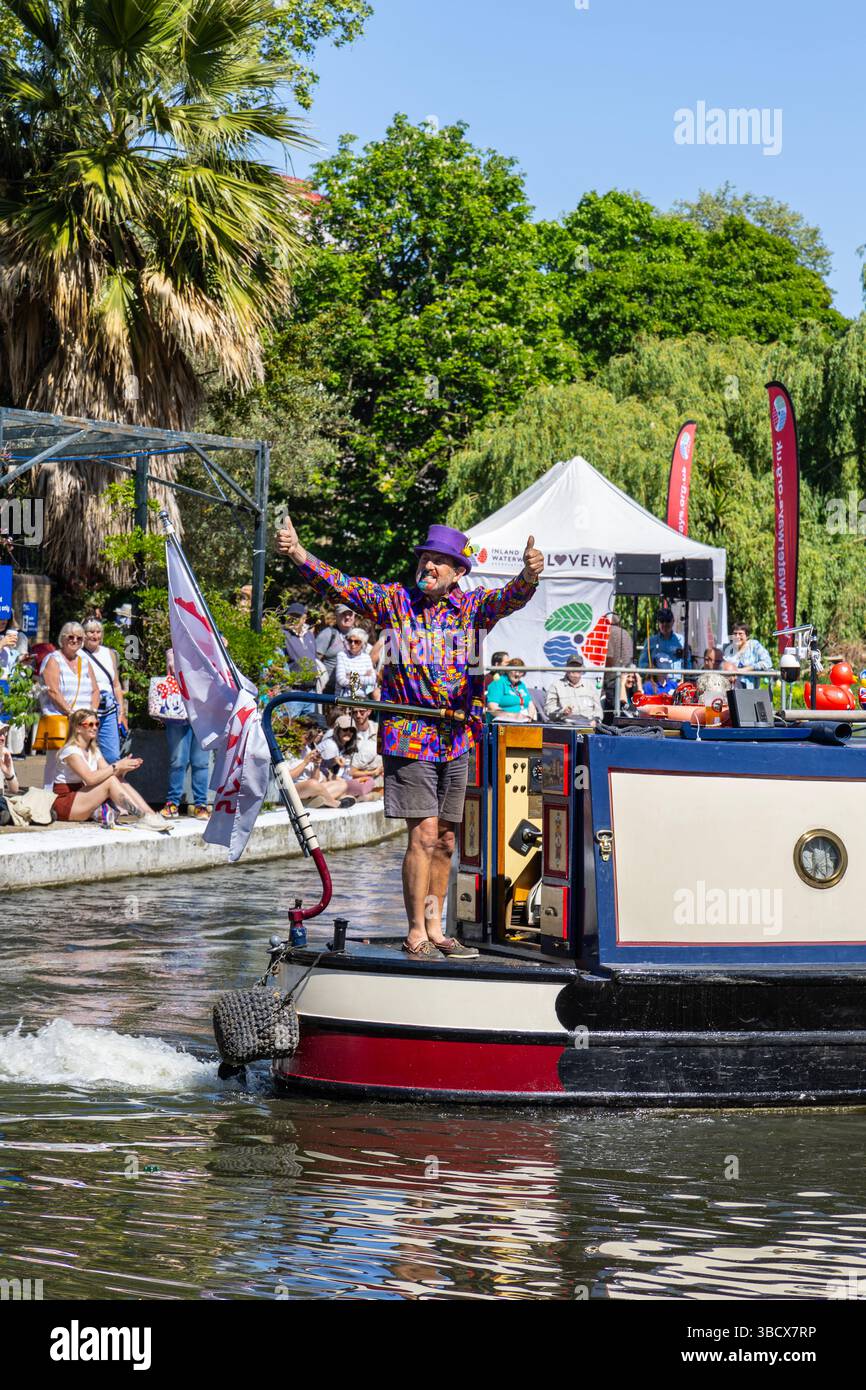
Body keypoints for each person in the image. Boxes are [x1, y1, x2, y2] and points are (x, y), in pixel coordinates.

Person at [277, 516, 542, 959]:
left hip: (457, 737)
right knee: (423, 835)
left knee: (447, 839)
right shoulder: (395, 602)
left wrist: (529, 576)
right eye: (425, 558)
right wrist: (299, 553)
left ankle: (436, 926)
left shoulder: (473, 607)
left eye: (439, 561)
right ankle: (416, 929)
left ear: (458, 571)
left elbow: (510, 597)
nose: (428, 566)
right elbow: (341, 585)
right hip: (410, 735)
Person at [51, 709, 169, 830]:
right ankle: (142, 816)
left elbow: (108, 772)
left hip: (81, 797)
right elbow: (90, 778)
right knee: (111, 780)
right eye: (90, 724)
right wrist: (117, 765)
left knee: (116, 778)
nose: (95, 728)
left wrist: (123, 768)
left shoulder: (93, 750)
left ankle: (150, 814)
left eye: (97, 724)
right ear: (77, 728)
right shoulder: (70, 751)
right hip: (65, 802)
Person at [38, 623, 100, 790]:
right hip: (61, 719)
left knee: (86, 758)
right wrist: (71, 713)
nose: (75, 640)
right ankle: (49, 796)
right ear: (62, 638)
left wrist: (92, 713)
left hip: (84, 722)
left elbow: (95, 690)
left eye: (79, 638)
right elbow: (53, 690)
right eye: (70, 637)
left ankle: (83, 796)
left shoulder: (84, 661)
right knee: (57, 761)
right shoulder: (53, 659)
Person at [161, 647, 211, 819]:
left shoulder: (211, 650)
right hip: (177, 711)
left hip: (203, 713)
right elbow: (174, 673)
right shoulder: (174, 652)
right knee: (178, 760)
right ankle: (172, 802)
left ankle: (201, 804)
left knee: (201, 762)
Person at [82, 619, 126, 765]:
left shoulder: (109, 653)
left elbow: (116, 684)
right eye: (91, 632)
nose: (95, 635)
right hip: (88, 706)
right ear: (84, 634)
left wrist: (121, 711)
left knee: (112, 755)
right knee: (86, 752)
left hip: (109, 707)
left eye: (98, 632)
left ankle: (111, 778)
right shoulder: (78, 655)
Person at [280, 601, 319, 717]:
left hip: (311, 691)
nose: (293, 620)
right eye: (291, 616)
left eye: (297, 616)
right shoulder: (282, 634)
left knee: (309, 725)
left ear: (304, 618)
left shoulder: (309, 635)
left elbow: (314, 658)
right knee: (290, 724)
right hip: (293, 692)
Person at [637, 607, 684, 693]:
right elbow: (641, 665)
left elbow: (687, 663)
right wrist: (650, 668)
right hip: (656, 686)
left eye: (668, 621)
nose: (665, 624)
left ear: (673, 621)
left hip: (677, 684)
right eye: (662, 621)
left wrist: (684, 680)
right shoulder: (650, 641)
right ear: (658, 623)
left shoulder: (681, 640)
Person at [544, 655, 604, 723]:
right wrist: (562, 712)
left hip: (589, 725)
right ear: (566, 669)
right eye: (572, 666)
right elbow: (548, 710)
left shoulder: (590, 687)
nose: (575, 669)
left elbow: (598, 711)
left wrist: (595, 720)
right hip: (566, 725)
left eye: (578, 667)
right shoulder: (556, 686)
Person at [316, 603, 356, 693]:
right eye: (343, 614)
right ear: (336, 616)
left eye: (350, 614)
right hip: (328, 689)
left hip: (350, 690)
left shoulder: (358, 635)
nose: (347, 617)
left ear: (354, 616)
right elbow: (315, 661)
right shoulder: (328, 634)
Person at [722, 622, 772, 690]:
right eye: (735, 634)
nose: (737, 636)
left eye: (740, 634)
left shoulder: (754, 645)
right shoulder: (727, 648)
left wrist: (745, 669)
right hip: (729, 689)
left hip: (749, 690)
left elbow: (768, 663)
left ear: (747, 636)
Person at [486, 657, 537, 721]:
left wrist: (529, 718)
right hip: (503, 723)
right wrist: (513, 716)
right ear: (508, 670)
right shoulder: (498, 683)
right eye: (514, 670)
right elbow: (492, 708)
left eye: (520, 671)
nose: (517, 674)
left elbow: (530, 705)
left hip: (524, 722)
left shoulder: (521, 685)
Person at [335, 627, 377, 699]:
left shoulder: (366, 658)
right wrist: (364, 675)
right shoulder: (342, 655)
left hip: (361, 698)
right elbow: (341, 680)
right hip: (343, 698)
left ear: (363, 643)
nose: (352, 644)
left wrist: (350, 676)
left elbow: (372, 680)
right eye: (350, 641)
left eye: (356, 642)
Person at [603, 612, 633, 713]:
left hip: (613, 680)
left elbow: (609, 658)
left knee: (611, 712)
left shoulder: (608, 633)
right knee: (623, 710)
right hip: (627, 678)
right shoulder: (626, 633)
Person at [0, 720, 20, 796]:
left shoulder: (5, 754)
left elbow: (15, 789)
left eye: (3, 733)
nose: (2, 738)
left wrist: (8, 775)